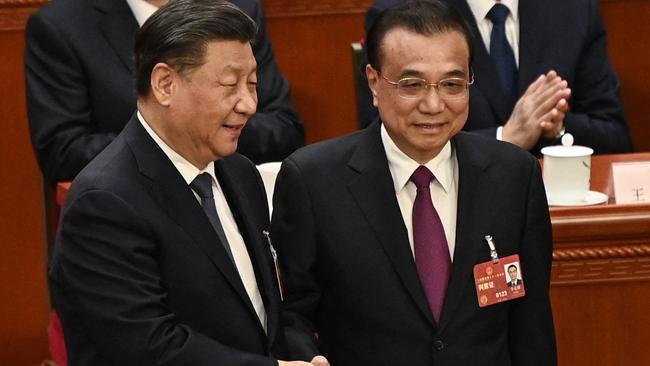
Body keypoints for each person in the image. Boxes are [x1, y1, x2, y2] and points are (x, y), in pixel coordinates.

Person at [271, 1, 556, 365]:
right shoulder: (312, 180)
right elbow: (291, 314)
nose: (434, 104)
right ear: (373, 82)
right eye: (412, 84)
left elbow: (531, 323)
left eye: (452, 84)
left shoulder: (515, 175)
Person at [48, 1, 327, 365]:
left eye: (253, 84)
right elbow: (147, 346)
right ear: (165, 84)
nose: (248, 104)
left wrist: (305, 358)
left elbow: (273, 309)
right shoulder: (104, 201)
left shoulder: (240, 174)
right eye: (230, 85)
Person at [25, 0, 304, 185]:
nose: (246, 104)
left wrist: (212, 129)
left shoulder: (236, 8)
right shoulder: (63, 26)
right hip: (130, 202)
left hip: (234, 194)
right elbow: (63, 153)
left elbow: (284, 129)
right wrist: (178, 143)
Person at [358, 0, 633, 155]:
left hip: (556, 201)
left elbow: (615, 138)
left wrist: (553, 125)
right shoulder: (401, 14)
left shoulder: (572, 10)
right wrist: (507, 137)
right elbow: (384, 139)